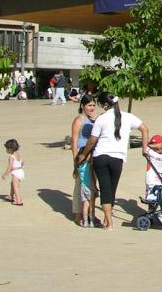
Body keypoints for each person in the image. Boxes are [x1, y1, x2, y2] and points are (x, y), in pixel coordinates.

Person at [78, 92, 150, 230]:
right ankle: (107, 219)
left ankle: (109, 223)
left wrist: (83, 155)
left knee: (105, 189)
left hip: (101, 157)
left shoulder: (102, 118)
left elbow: (92, 140)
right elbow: (144, 129)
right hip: (118, 158)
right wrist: (144, 149)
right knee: (112, 189)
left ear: (105, 104)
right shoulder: (128, 117)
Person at [70, 94, 98, 225]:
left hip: (92, 156)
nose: (92, 108)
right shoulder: (79, 120)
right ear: (83, 106)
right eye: (89, 105)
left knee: (91, 185)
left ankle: (89, 213)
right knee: (80, 186)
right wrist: (75, 160)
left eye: (93, 105)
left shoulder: (95, 120)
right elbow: (74, 141)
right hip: (81, 156)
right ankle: (78, 214)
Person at [144, 134, 162, 202]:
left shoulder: (150, 152)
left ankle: (151, 212)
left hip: (151, 179)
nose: (153, 146)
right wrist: (158, 145)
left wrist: (150, 145)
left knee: (152, 197)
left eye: (154, 144)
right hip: (160, 178)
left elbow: (145, 147)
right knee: (160, 196)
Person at [1, 139, 24, 206]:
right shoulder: (18, 154)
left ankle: (18, 200)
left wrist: (5, 174)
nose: (6, 150)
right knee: (12, 184)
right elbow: (22, 162)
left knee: (15, 187)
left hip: (16, 173)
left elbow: (10, 167)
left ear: (10, 149)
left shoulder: (11, 157)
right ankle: (11, 196)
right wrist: (18, 167)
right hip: (21, 172)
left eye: (6, 149)